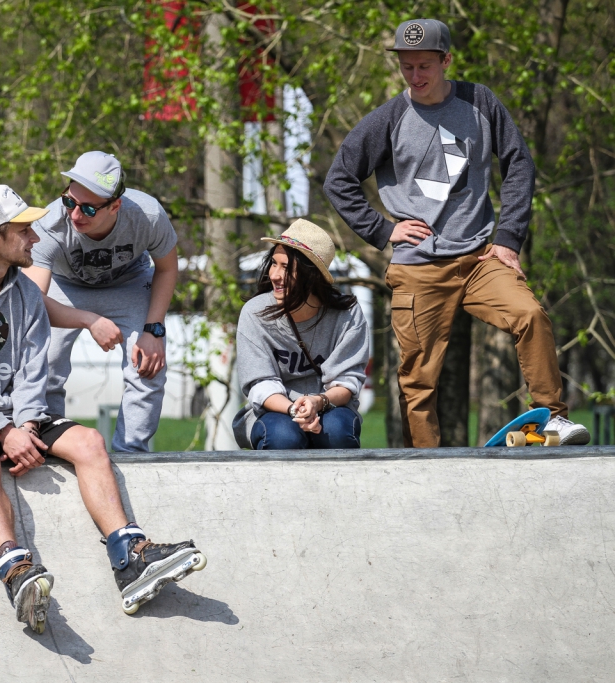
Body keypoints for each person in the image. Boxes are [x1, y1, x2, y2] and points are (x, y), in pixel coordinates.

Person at [0, 185, 205, 632]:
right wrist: (4, 432)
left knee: (88, 441)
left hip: (9, 415)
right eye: (24, 231)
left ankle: (130, 557)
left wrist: (24, 421)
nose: (36, 239)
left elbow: (31, 368)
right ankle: (15, 569)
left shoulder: (23, 291)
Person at [323, 18, 589, 447]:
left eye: (425, 66)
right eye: (407, 67)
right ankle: (429, 466)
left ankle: (553, 418)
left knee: (531, 315)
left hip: (480, 257)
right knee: (418, 380)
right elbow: (338, 179)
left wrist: (508, 238)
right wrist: (382, 230)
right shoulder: (389, 118)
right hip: (419, 267)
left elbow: (519, 163)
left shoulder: (479, 102)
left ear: (446, 60)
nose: (415, 77)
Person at [23, 151, 179, 452]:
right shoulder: (50, 225)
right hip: (65, 287)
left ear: (115, 206)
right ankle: (49, 444)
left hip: (129, 284)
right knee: (45, 361)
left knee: (146, 363)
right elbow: (33, 301)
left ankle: (132, 452)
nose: (75, 215)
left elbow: (167, 268)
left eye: (89, 210)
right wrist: (89, 320)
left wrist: (154, 329)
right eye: (69, 201)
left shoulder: (147, 216)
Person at [234, 220, 370, 450]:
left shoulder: (347, 315)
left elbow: (348, 381)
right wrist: (294, 409)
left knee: (336, 430)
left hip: (330, 408)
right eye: (273, 264)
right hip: (273, 411)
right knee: (283, 436)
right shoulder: (254, 313)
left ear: (311, 275)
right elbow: (259, 383)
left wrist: (318, 402)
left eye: (286, 268)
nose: (275, 275)